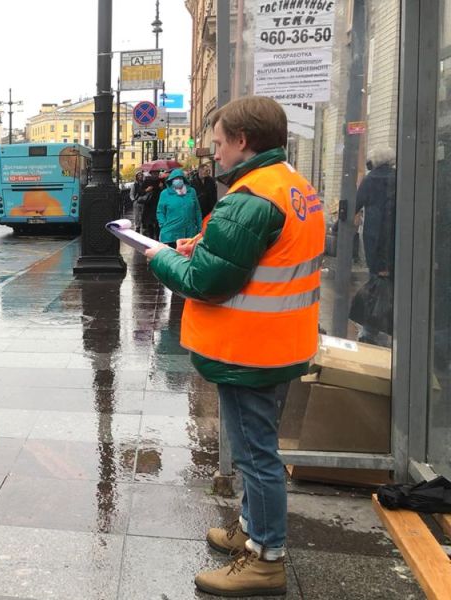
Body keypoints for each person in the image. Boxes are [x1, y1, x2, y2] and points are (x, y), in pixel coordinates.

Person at [144, 96, 325, 597]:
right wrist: (199, 245)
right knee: (255, 449)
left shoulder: (249, 198)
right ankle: (250, 528)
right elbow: (257, 260)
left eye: (219, 144)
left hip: (250, 349)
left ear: (243, 141)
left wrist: (161, 256)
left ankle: (266, 558)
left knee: (255, 455)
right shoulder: (292, 186)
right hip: (282, 341)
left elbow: (207, 282)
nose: (214, 154)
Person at [354, 147, 396, 344]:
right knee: (389, 284)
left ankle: (370, 331)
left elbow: (356, 203)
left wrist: (337, 226)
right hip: (395, 241)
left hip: (374, 239)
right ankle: (388, 328)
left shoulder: (370, 180)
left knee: (375, 284)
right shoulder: (398, 178)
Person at [156, 168, 201, 248]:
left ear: (184, 180)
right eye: (175, 179)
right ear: (171, 181)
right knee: (173, 258)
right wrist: (163, 225)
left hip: (189, 233)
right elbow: (160, 212)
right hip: (171, 234)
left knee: (187, 258)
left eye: (180, 178)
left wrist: (199, 228)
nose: (178, 180)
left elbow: (197, 211)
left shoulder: (191, 191)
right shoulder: (165, 193)